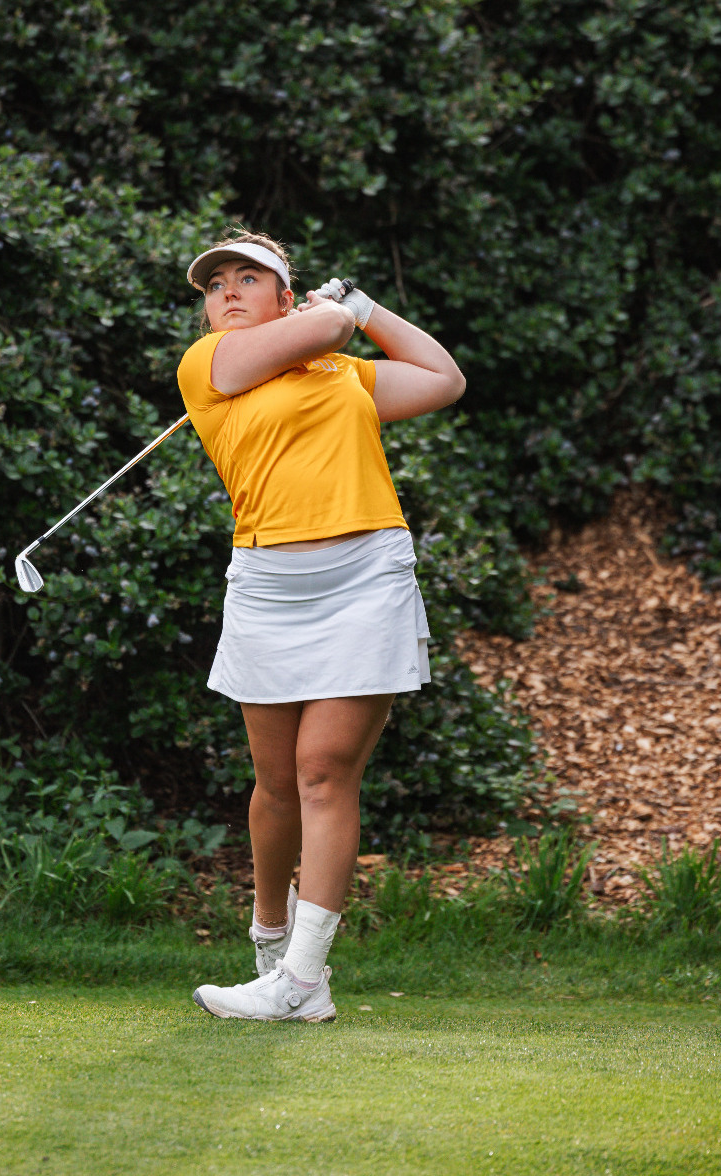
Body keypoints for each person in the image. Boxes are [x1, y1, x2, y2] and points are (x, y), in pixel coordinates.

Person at [179, 231, 466, 1022]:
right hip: (269, 587)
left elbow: (444, 379)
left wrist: (366, 306)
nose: (229, 293)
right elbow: (324, 328)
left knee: (323, 771)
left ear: (283, 294)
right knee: (275, 786)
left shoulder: (344, 372)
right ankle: (270, 944)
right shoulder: (207, 367)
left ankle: (303, 980)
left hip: (366, 577)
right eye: (215, 285)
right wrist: (333, 315)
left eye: (250, 279)